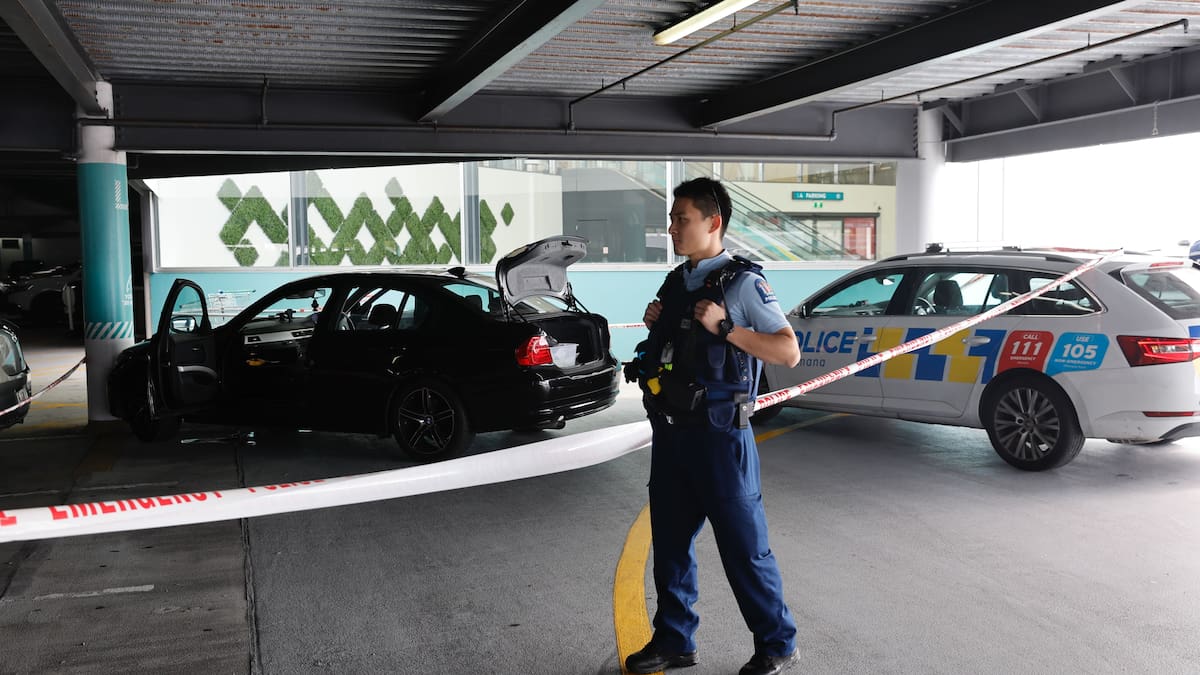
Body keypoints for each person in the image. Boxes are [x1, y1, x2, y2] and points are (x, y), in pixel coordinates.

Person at [624, 177, 802, 675]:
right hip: (674, 434)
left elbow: (788, 352)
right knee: (672, 546)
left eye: (682, 219)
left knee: (745, 549)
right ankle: (675, 641)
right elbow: (674, 353)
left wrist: (727, 328)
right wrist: (657, 321)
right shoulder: (677, 282)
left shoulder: (743, 284)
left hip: (723, 438)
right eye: (672, 219)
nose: (673, 228)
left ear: (713, 222)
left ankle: (777, 644)